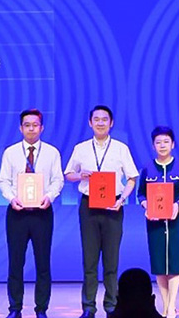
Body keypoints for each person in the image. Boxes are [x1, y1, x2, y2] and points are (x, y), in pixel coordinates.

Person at [64, 105, 139, 318]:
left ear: (111, 123)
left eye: (104, 119)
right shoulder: (81, 148)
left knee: (111, 260)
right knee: (89, 260)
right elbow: (68, 174)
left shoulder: (121, 148)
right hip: (88, 206)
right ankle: (88, 307)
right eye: (96, 119)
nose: (100, 123)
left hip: (113, 206)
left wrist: (122, 199)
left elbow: (132, 178)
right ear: (90, 123)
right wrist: (80, 175)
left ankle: (111, 306)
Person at [0, 109, 64, 318]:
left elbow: (58, 180)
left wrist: (49, 197)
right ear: (21, 128)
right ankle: (15, 308)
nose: (31, 129)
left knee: (43, 263)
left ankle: (41, 308)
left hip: (42, 213)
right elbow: (3, 181)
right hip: (17, 213)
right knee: (15, 262)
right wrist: (11, 198)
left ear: (41, 128)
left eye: (35, 125)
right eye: (27, 125)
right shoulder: (11, 152)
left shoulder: (52, 152)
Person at [137, 126, 179, 318]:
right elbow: (141, 194)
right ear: (153, 145)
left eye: (166, 142)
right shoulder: (147, 168)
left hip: (176, 221)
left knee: (175, 262)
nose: (162, 145)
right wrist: (146, 205)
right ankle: (165, 304)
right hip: (154, 222)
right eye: (158, 142)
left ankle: (172, 305)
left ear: (173, 144)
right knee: (159, 263)